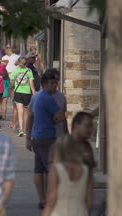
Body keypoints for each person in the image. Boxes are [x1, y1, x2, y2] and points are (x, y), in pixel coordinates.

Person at [25, 71, 66, 210]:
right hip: (47, 138)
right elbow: (60, 117)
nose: (55, 85)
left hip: (40, 137)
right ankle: (49, 200)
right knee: (51, 170)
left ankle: (44, 199)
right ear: (45, 84)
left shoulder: (43, 97)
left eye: (56, 82)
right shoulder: (46, 98)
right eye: (53, 83)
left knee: (39, 169)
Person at [42, 135, 93, 216]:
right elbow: (89, 203)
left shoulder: (56, 169)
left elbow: (52, 198)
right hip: (80, 211)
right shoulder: (86, 170)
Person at [28, 68, 68, 137]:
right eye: (53, 81)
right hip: (41, 137)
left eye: (57, 81)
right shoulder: (36, 97)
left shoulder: (61, 97)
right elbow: (30, 117)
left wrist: (66, 135)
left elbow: (63, 118)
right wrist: (28, 137)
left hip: (58, 137)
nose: (55, 84)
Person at [11, 57, 36, 136]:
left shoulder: (16, 72)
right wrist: (34, 94)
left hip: (18, 93)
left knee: (20, 111)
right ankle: (25, 129)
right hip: (27, 93)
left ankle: (21, 129)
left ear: (19, 63)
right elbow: (31, 84)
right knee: (26, 112)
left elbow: (12, 84)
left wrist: (12, 89)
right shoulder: (29, 71)